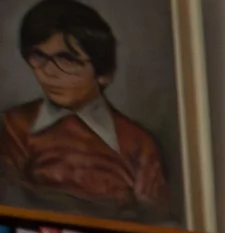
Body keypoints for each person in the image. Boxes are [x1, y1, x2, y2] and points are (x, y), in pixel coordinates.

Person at [0, 0, 171, 219]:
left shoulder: (137, 142)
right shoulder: (15, 125)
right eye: (39, 56)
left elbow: (157, 219)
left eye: (67, 59)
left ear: (103, 74)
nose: (48, 72)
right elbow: (12, 201)